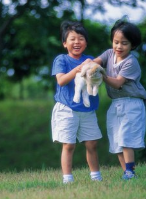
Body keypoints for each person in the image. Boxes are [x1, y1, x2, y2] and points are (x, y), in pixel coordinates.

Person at [85, 18, 146, 180]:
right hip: (116, 103)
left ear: (132, 45)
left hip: (132, 103)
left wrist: (102, 74)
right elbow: (95, 62)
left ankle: (130, 171)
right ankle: (127, 173)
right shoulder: (109, 54)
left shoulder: (131, 62)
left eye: (124, 43)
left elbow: (118, 83)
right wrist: (88, 66)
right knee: (117, 140)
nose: (119, 46)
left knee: (126, 138)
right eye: (116, 42)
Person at [51, 21, 103, 184]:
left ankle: (96, 177)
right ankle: (68, 179)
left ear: (86, 43)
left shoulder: (90, 60)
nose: (76, 42)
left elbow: (98, 73)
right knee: (69, 145)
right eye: (72, 39)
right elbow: (61, 81)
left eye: (81, 38)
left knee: (92, 143)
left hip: (88, 109)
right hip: (67, 108)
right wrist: (79, 68)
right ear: (64, 43)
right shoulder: (61, 60)